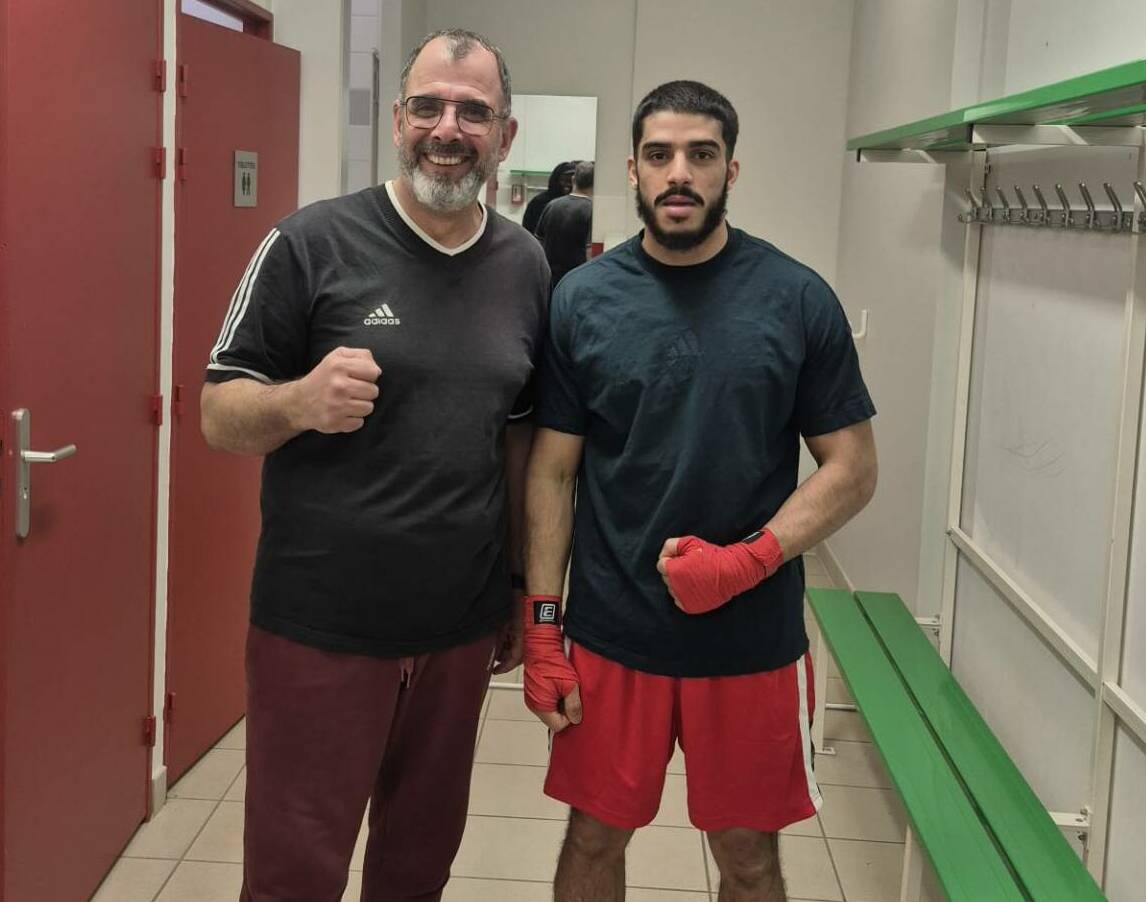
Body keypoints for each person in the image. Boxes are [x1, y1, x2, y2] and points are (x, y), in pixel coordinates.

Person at [199, 28, 549, 902]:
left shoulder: (525, 265)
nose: (447, 128)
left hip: (457, 628)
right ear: (397, 120)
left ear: (505, 136)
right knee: (293, 876)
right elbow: (217, 413)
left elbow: (517, 440)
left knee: (416, 869)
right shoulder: (308, 243)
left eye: (473, 111)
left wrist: (515, 585)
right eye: (428, 106)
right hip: (319, 625)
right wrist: (297, 402)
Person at [521, 80, 878, 902]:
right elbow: (552, 470)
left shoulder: (796, 298)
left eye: (700, 154)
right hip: (613, 630)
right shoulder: (582, 300)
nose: (678, 173)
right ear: (633, 171)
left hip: (749, 640)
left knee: (748, 856)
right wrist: (541, 626)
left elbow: (854, 467)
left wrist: (750, 559)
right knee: (593, 836)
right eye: (659, 155)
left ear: (730, 170)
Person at [536, 160, 594, 293]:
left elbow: (538, 242)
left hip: (550, 277)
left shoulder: (552, 205)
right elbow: (589, 251)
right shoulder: (592, 210)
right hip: (576, 279)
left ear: (573, 179)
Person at [522, 159, 575, 234]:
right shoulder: (540, 202)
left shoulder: (579, 204)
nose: (568, 185)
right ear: (556, 180)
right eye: (564, 180)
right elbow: (528, 231)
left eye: (571, 181)